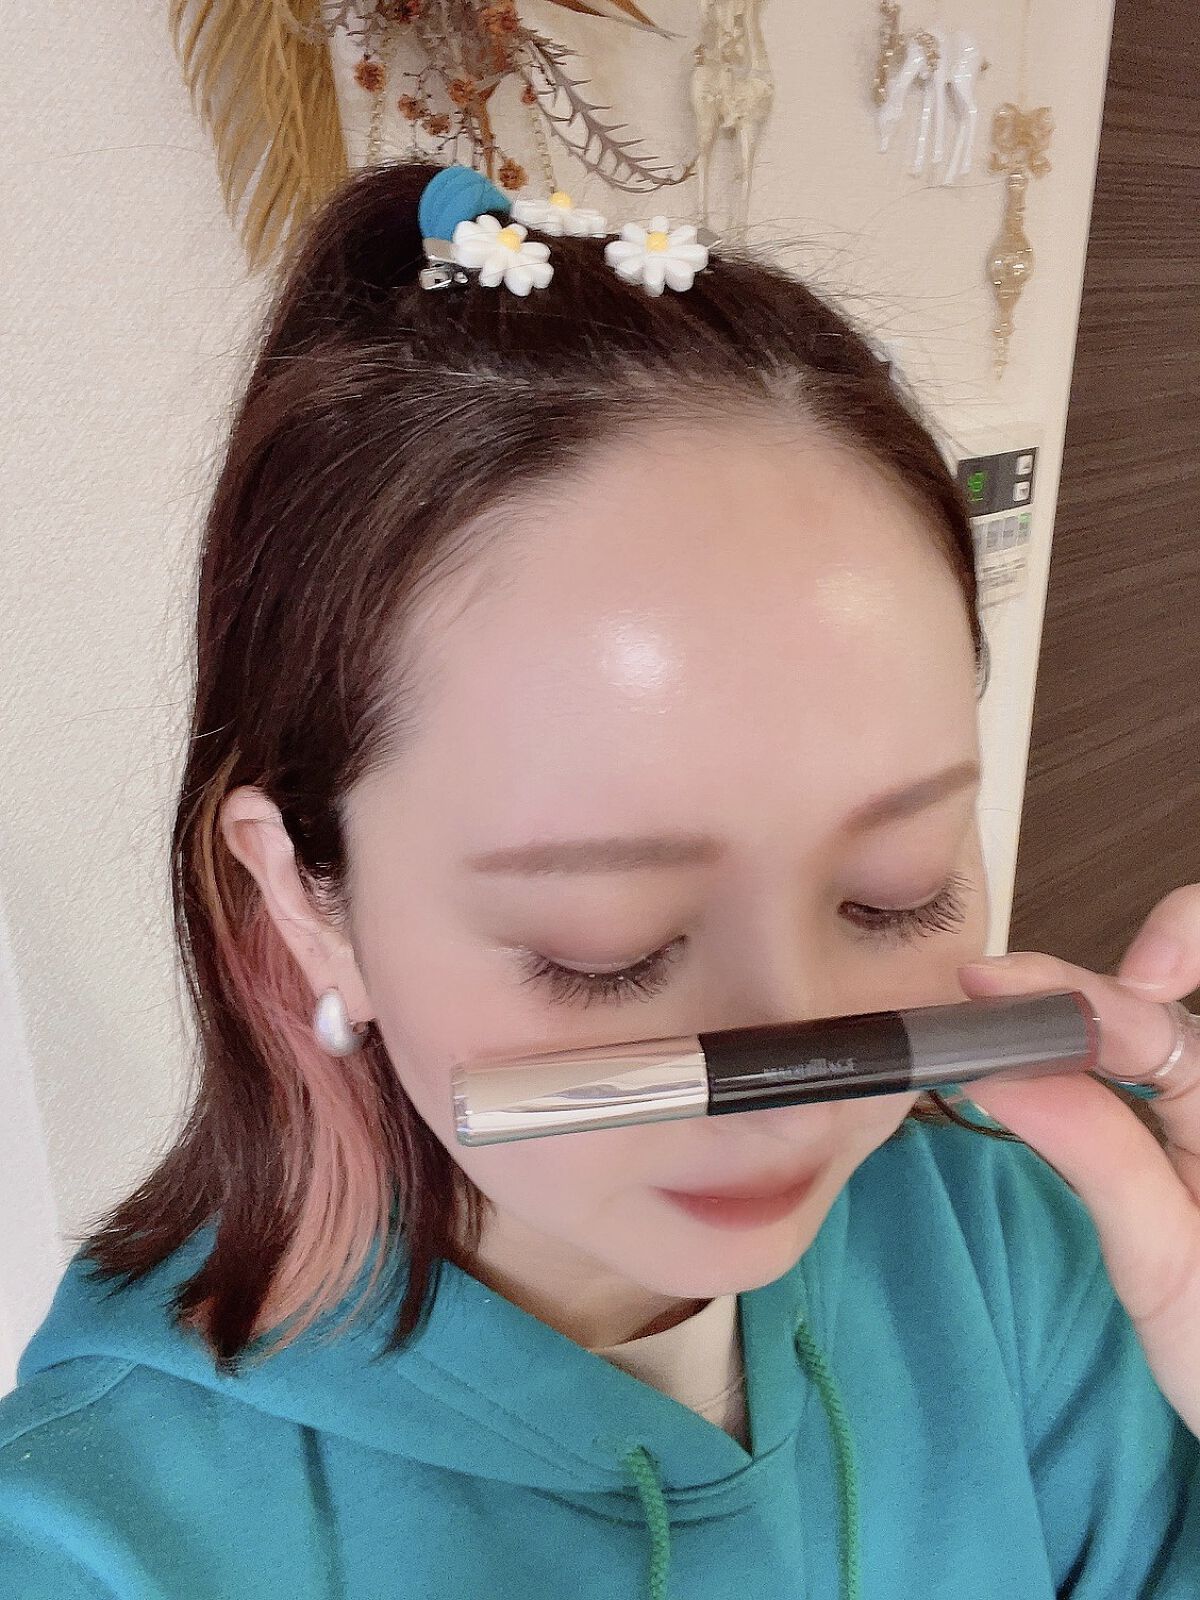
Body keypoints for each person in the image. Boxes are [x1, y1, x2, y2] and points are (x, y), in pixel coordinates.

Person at [1, 160, 1197, 1600]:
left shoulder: (1021, 1251)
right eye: (605, 944)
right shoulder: (89, 1548)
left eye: (898, 890)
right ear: (310, 903)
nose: (797, 1077)